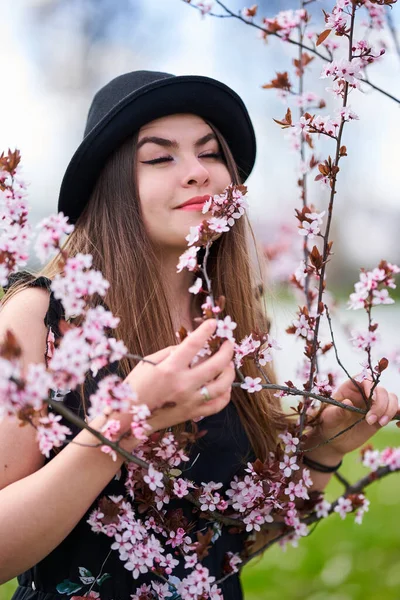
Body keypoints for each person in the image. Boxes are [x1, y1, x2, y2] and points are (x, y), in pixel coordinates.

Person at [0, 70, 397, 600]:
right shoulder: (39, 319)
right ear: (112, 185)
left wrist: (324, 451)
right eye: (160, 158)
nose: (197, 173)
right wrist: (121, 426)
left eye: (211, 154)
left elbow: (232, 545)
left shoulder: (231, 325)